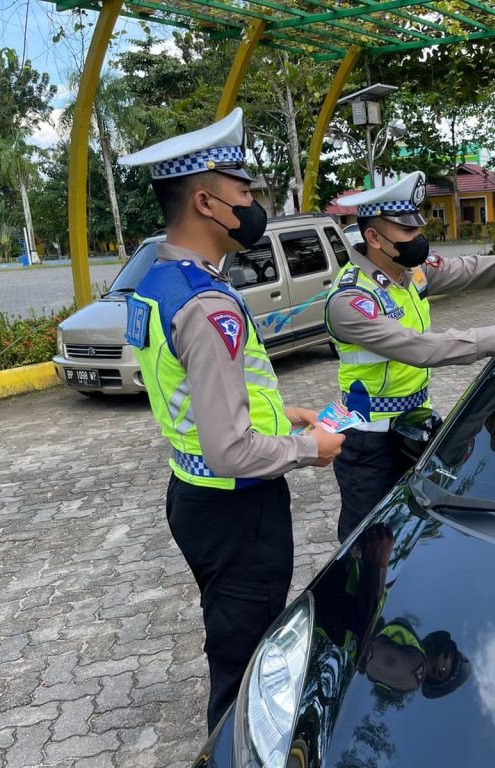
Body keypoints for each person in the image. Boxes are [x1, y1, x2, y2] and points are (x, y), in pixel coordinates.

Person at [118, 107, 345, 731]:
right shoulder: (206, 302)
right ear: (206, 202)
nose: (252, 205)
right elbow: (228, 448)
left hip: (193, 494)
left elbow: (194, 391)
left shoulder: (157, 281)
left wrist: (286, 413)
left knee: (231, 633)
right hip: (237, 507)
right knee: (246, 665)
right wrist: (309, 450)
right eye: (243, 192)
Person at [325, 171, 495, 542]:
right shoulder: (351, 301)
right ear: (374, 238)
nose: (418, 239)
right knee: (369, 546)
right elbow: (421, 350)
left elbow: (476, 268)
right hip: (368, 445)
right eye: (407, 233)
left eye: (418, 228)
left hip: (414, 427)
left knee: (417, 533)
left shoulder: (410, 273)